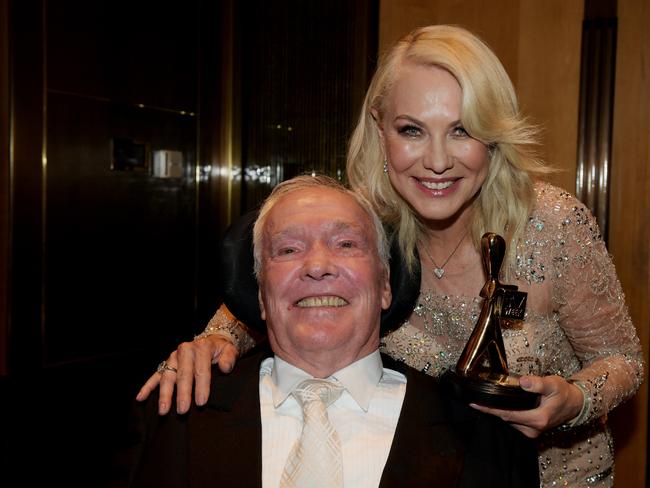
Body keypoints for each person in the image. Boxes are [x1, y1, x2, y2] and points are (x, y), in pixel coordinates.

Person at [136, 25, 644, 487]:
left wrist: (574, 400)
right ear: (379, 129)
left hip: (559, 475)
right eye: (412, 130)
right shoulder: (364, 224)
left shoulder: (551, 224)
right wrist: (208, 343)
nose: (439, 161)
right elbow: (275, 289)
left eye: (462, 130)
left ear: (492, 137)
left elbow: (624, 359)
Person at [130, 175, 539, 487]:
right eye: (288, 249)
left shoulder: (489, 440)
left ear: (384, 285)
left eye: (345, 244)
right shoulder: (172, 421)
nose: (317, 265)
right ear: (259, 294)